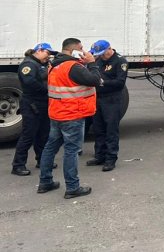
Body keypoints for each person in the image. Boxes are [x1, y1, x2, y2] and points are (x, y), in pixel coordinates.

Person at [37, 38, 101, 199]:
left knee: (50, 147)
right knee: (71, 151)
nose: (84, 51)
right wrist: (92, 63)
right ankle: (72, 187)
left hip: (56, 113)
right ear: (73, 50)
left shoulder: (54, 65)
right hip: (72, 115)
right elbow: (95, 80)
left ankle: (45, 182)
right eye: (81, 48)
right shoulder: (73, 67)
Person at [11, 43, 57, 176]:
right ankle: (18, 165)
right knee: (28, 135)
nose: (48, 57)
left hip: (42, 103)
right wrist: (47, 89)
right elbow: (30, 83)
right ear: (39, 50)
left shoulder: (42, 64)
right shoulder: (29, 64)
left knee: (43, 133)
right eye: (47, 54)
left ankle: (42, 160)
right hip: (32, 103)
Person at [86, 40, 128, 172]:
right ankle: (99, 155)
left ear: (110, 49)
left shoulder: (120, 61)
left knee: (111, 130)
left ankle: (111, 159)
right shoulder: (98, 60)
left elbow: (120, 82)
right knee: (98, 128)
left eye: (103, 54)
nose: (101, 57)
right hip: (97, 98)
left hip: (112, 99)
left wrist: (103, 82)